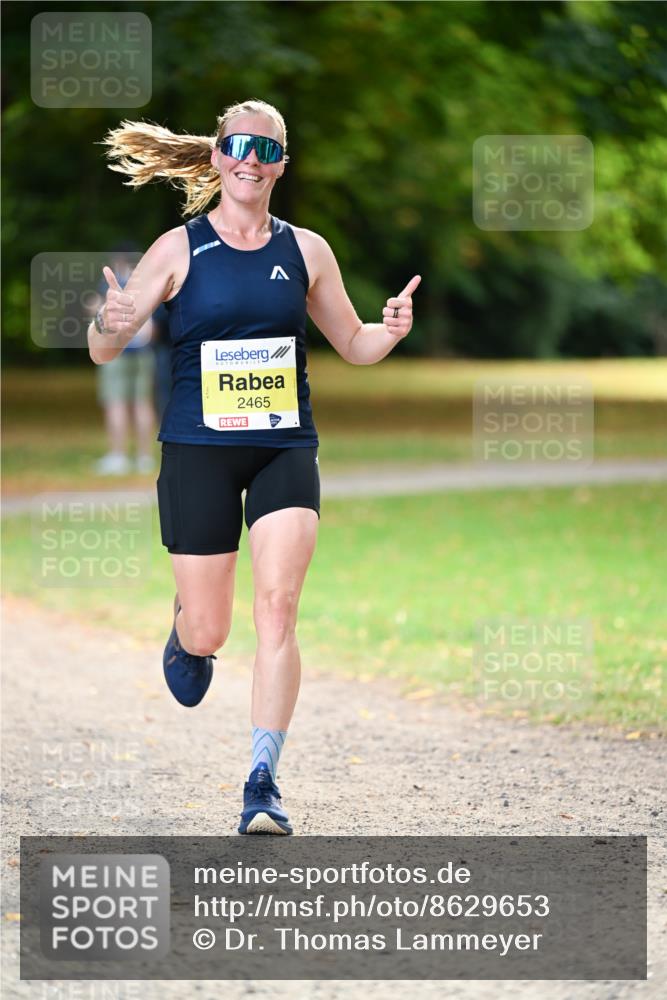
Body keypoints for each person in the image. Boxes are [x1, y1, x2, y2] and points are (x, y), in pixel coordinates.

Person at [87, 98, 421, 835]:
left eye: (265, 148)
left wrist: (386, 332)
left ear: (279, 164)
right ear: (216, 156)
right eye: (236, 144)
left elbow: (353, 343)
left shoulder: (306, 251)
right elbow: (105, 346)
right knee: (212, 631)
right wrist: (108, 327)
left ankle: (262, 782)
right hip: (197, 451)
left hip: (283, 447)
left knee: (278, 608)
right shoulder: (178, 248)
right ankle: (186, 630)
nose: (249, 157)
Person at [89, 246, 157, 475]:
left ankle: (118, 456)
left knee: (116, 403)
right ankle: (144, 457)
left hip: (116, 352)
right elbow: (153, 327)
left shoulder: (111, 284)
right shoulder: (147, 284)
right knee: (142, 403)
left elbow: (100, 318)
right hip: (144, 351)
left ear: (117, 259)